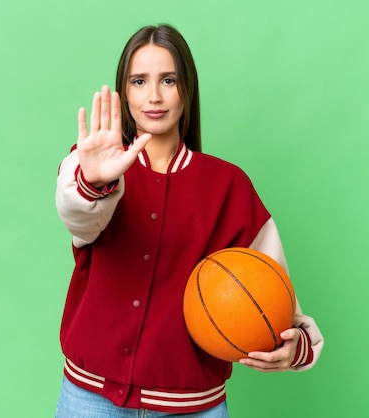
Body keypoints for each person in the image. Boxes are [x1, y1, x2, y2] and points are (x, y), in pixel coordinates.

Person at [54, 24, 323, 417]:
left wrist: (297, 344)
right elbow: (79, 218)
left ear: (188, 89)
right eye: (139, 81)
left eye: (168, 80)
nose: (154, 96)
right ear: (124, 91)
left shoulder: (229, 185)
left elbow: (276, 295)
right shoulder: (95, 165)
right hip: (88, 399)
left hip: (193, 408)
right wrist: (95, 180)